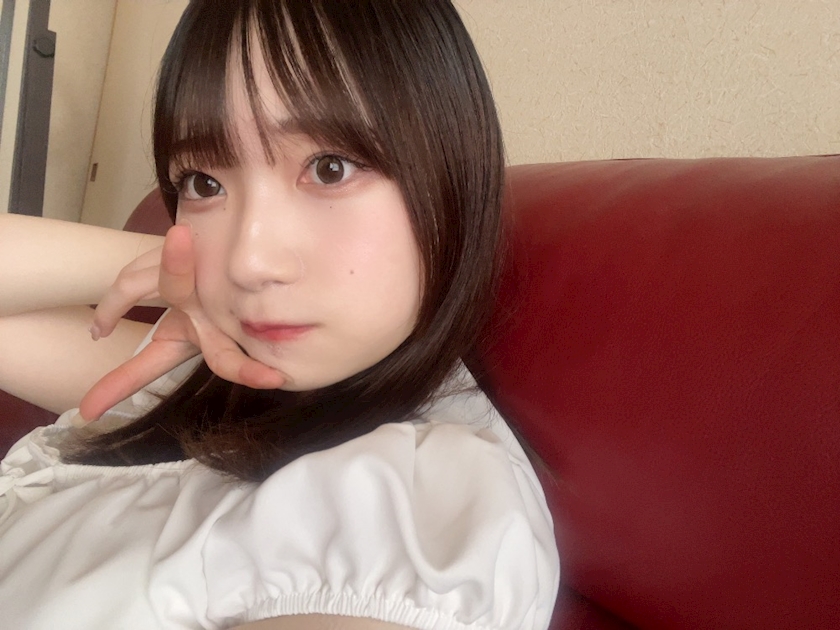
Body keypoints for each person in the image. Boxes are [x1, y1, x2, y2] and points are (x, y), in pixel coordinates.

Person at [0, 1, 560, 628]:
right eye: (204, 183)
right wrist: (165, 265)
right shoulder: (209, 372)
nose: (248, 261)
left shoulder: (416, 510)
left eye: (329, 168)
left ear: (451, 176)